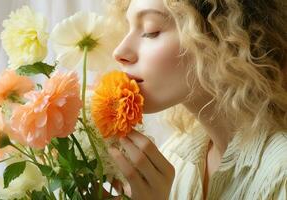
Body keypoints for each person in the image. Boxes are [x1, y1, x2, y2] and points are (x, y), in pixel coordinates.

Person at [104, 0, 287, 199]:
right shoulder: (174, 155)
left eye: (151, 30)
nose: (119, 52)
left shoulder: (280, 173)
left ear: (222, 37)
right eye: (128, 27)